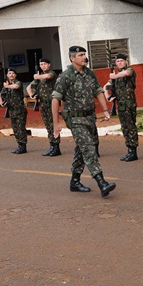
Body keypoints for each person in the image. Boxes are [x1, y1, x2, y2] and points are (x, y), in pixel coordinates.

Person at [51, 45, 116, 197]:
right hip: (75, 119)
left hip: (89, 117)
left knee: (82, 149)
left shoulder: (89, 73)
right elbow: (55, 99)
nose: (84, 57)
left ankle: (75, 182)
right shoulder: (65, 76)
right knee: (89, 149)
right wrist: (56, 124)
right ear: (72, 58)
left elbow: (98, 91)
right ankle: (102, 182)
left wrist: (106, 110)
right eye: (80, 55)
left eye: (84, 54)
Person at [105, 53, 139, 162]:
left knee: (131, 127)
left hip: (129, 104)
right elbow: (105, 86)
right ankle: (129, 149)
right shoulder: (116, 75)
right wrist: (108, 97)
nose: (119, 63)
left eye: (121, 61)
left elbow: (126, 73)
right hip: (121, 105)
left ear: (126, 61)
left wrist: (114, 76)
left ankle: (133, 151)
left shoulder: (129, 71)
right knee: (125, 127)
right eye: (118, 61)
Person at [27, 57, 61, 156]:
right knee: (48, 126)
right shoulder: (40, 76)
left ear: (49, 65)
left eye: (45, 64)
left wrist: (37, 77)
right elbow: (29, 87)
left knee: (53, 125)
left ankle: (56, 147)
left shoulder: (51, 73)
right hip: (43, 104)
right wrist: (31, 95)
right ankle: (52, 146)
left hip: (52, 104)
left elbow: (48, 77)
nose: (43, 66)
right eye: (41, 64)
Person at [0, 67, 28, 154]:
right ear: (7, 75)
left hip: (20, 110)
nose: (11, 75)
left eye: (13, 73)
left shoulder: (17, 83)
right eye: (9, 73)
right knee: (15, 128)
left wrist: (7, 86)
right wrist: (2, 103)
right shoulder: (6, 86)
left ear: (15, 75)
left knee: (20, 128)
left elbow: (16, 86)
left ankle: (23, 146)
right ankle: (19, 144)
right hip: (11, 111)